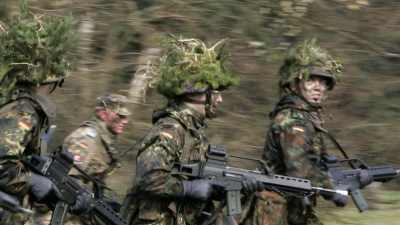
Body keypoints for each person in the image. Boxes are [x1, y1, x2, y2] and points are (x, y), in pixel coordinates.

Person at [119, 36, 264, 225]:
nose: (219, 100)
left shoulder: (194, 132)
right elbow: (147, 179)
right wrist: (187, 188)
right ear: (195, 93)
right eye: (215, 93)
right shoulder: (170, 130)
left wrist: (237, 187)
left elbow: (202, 185)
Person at [235, 38, 348, 225]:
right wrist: (333, 188)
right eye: (311, 80)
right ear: (294, 85)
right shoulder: (293, 121)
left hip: (293, 210)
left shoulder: (307, 118)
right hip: (273, 213)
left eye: (323, 81)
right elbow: (301, 171)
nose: (318, 86)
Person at [0, 4, 87, 224]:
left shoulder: (21, 107)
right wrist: (35, 182)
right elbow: (2, 168)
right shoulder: (22, 111)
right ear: (50, 79)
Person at [33, 93, 131, 224]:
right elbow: (65, 180)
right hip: (56, 215)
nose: (125, 121)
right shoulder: (86, 140)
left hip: (76, 214)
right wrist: (89, 198)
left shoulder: (103, 142)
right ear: (103, 114)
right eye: (120, 116)